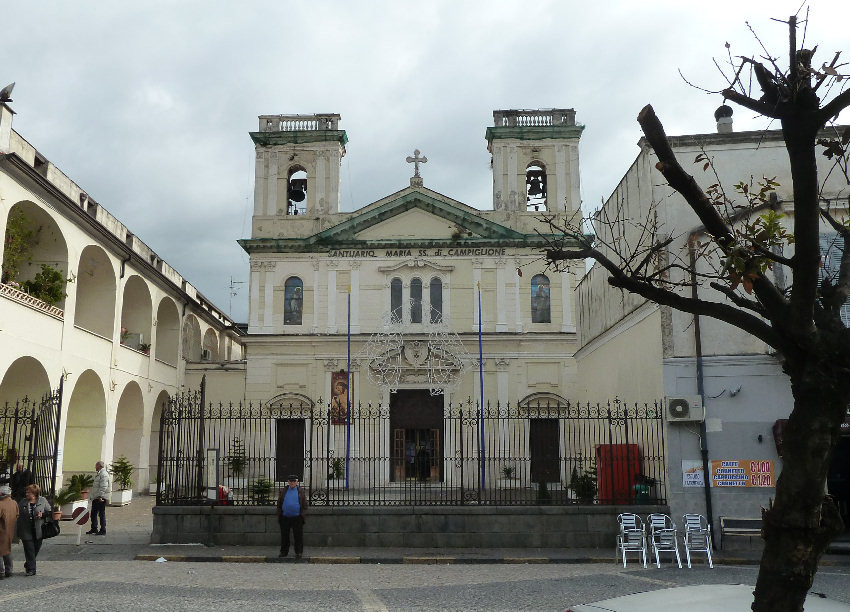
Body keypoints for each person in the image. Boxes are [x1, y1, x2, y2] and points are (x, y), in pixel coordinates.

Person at [16, 484, 51, 576]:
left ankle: (28, 563)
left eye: (29, 492)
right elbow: (17, 514)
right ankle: (31, 569)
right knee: (29, 550)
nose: (27, 494)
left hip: (38, 530)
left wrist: (42, 515)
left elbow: (49, 512)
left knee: (35, 549)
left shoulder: (42, 500)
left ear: (35, 493)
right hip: (26, 530)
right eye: (26, 492)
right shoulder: (23, 502)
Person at [276, 474, 307, 559]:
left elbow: (304, 505)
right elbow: (279, 504)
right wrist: (280, 514)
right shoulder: (283, 491)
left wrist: (302, 515)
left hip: (297, 518)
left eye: (294, 481)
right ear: (288, 482)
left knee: (298, 536)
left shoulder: (301, 491)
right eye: (290, 481)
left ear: (297, 482)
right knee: (284, 536)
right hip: (285, 517)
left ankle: (299, 552)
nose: (292, 482)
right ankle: (283, 552)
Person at [87, 460, 111, 536]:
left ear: (99, 466)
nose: (95, 467)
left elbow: (103, 486)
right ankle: (94, 528)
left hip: (100, 497)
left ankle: (103, 530)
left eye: (96, 465)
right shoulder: (99, 474)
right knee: (93, 513)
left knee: (101, 514)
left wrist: (100, 496)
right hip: (96, 497)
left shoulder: (103, 474)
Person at [0, 484, 18, 579]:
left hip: (1, 531)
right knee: (7, 550)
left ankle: (1, 572)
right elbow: (17, 514)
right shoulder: (14, 503)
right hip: (10, 530)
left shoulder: (1, 504)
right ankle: (9, 570)